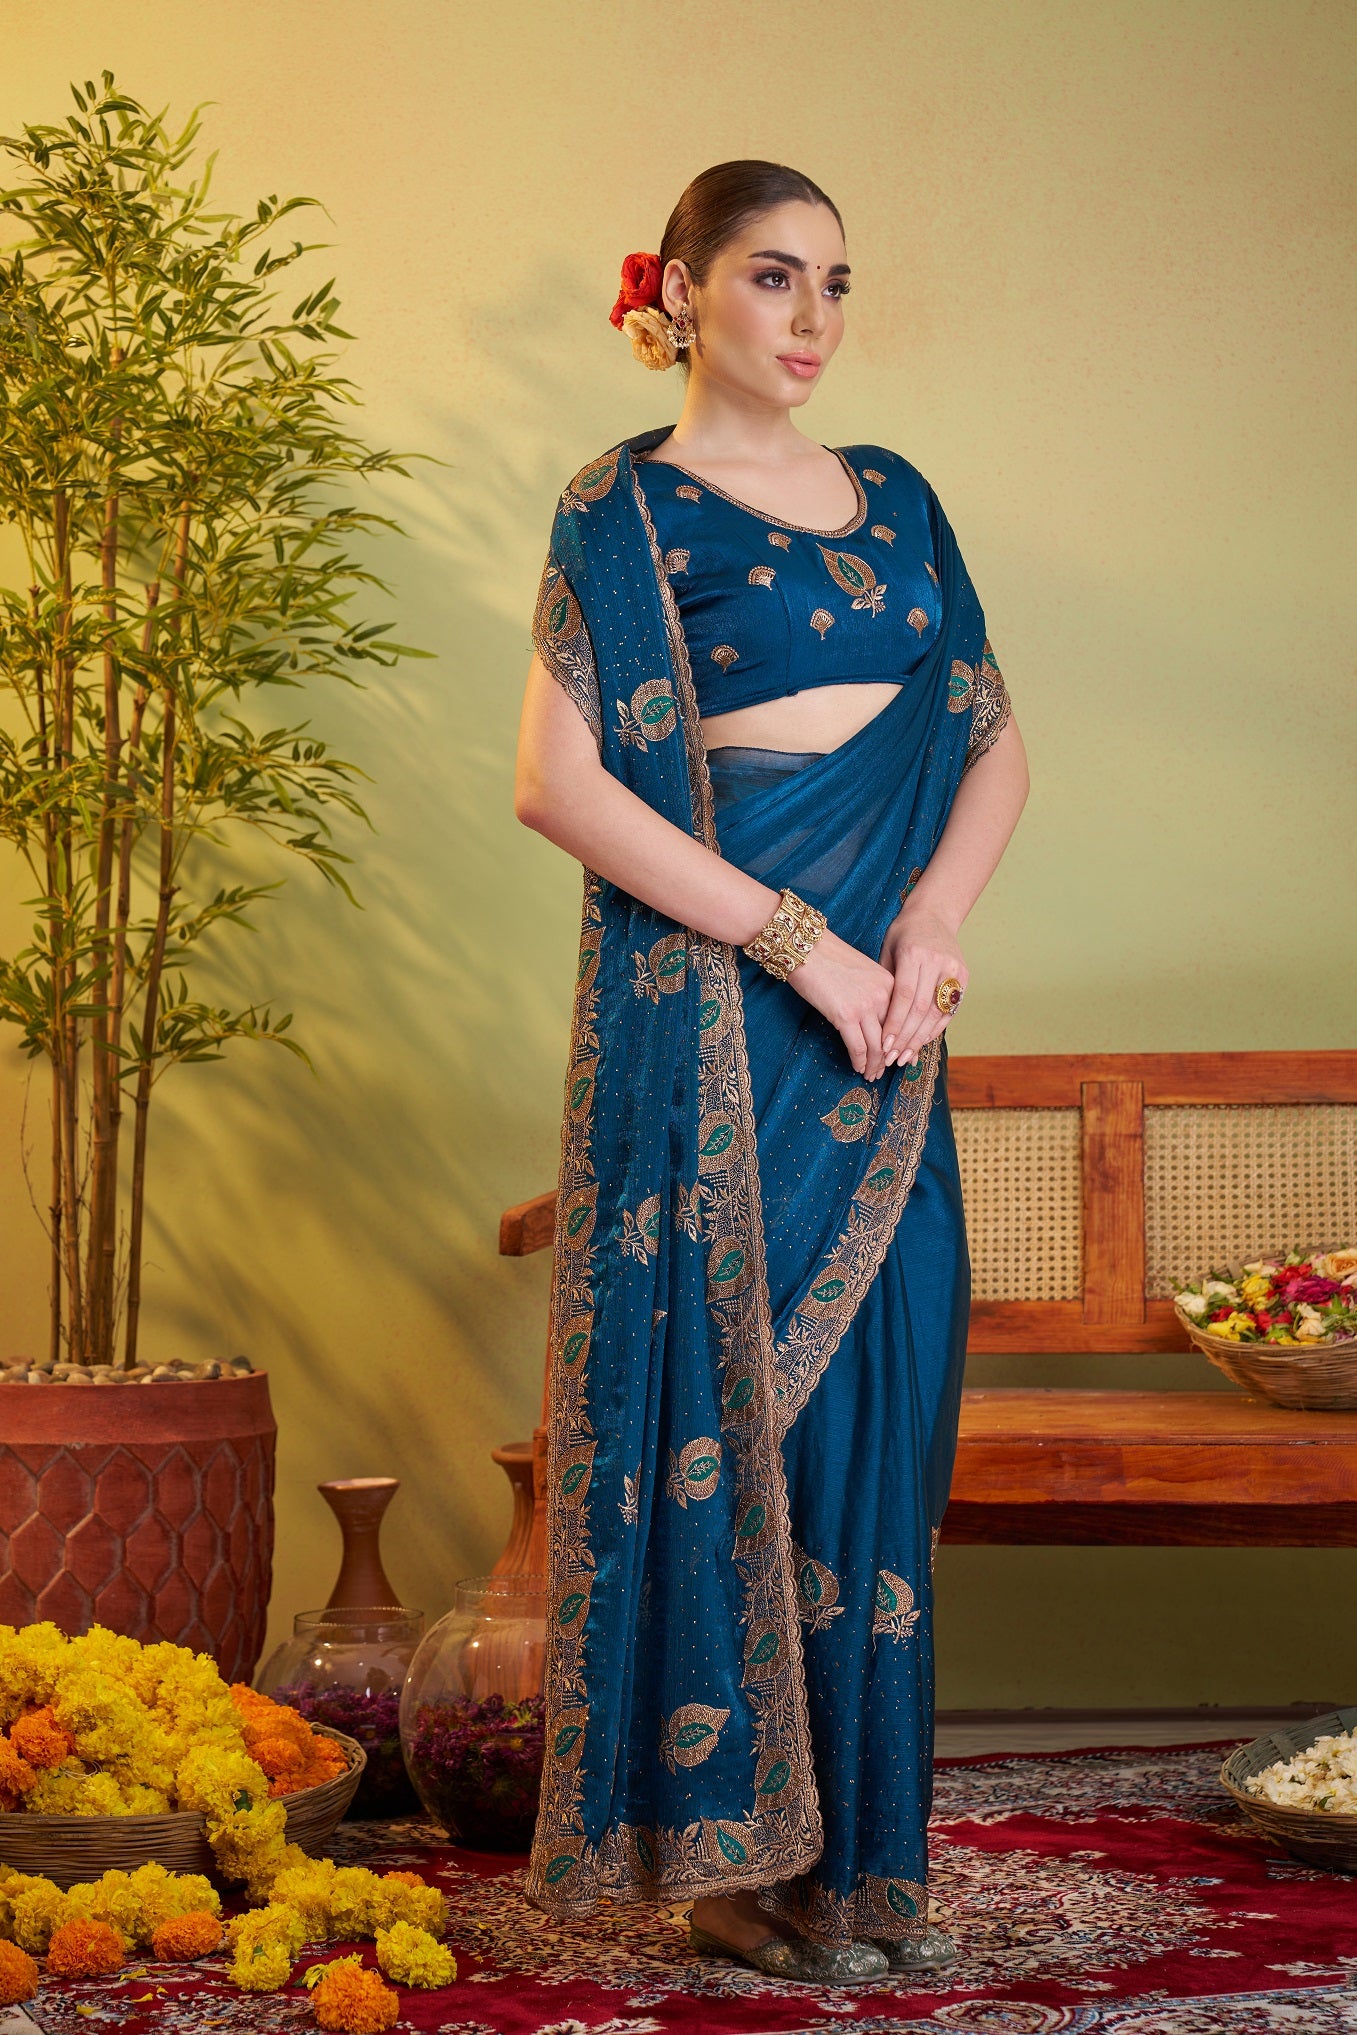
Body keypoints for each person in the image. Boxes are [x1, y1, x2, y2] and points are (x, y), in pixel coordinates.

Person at [513, 159, 1030, 1988]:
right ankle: (732, 1851)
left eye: (834, 283)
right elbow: (559, 786)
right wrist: (801, 945)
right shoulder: (624, 506)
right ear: (675, 292)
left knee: (875, 1418)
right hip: (729, 1020)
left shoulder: (901, 497)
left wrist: (932, 925)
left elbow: (989, 740)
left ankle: (857, 1863)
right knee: (747, 1420)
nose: (811, 319)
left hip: (887, 1026)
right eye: (769, 277)